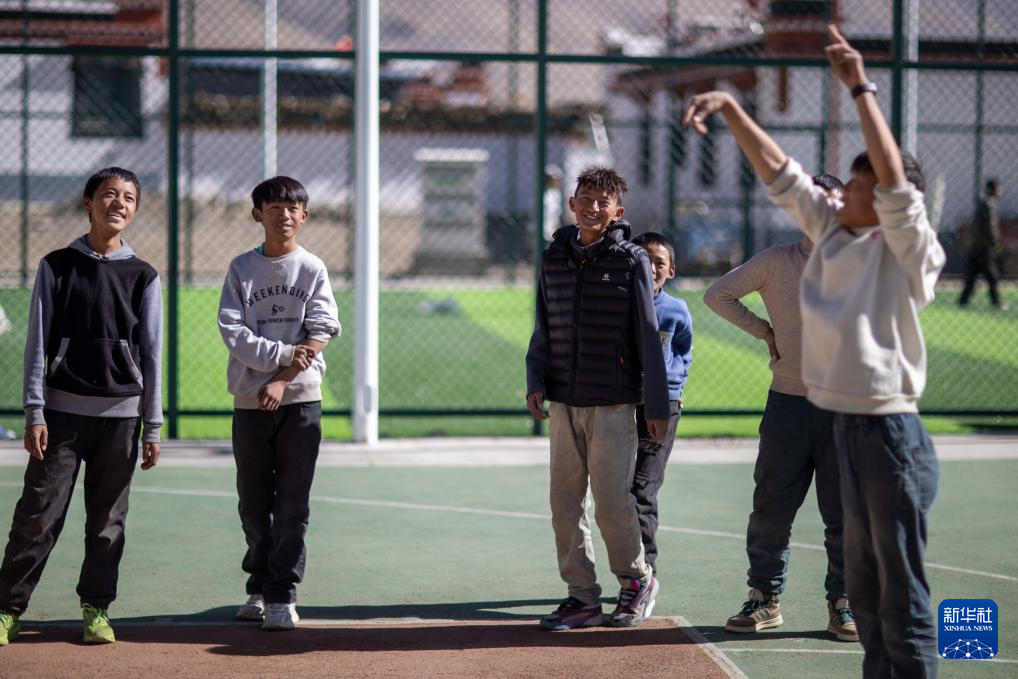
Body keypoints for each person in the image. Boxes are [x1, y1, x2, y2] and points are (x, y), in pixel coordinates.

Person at [685, 24, 945, 677]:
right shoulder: (830, 234)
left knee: (899, 596)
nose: (839, 191)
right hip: (845, 427)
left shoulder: (909, 251)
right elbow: (779, 171)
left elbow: (894, 183)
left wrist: (859, 86)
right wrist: (731, 106)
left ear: (887, 201)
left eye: (855, 184)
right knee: (866, 593)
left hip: (889, 434)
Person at [0, 167, 163, 646]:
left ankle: (96, 609)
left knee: (108, 522)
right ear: (88, 202)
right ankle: (7, 609)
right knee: (37, 517)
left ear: (134, 209)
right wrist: (35, 411)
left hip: (122, 420)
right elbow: (37, 344)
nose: (119, 203)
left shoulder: (143, 275)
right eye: (109, 194)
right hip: (61, 417)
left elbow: (152, 355)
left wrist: (152, 426)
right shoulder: (56, 265)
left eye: (128, 197)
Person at [704, 175, 858, 642]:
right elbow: (717, 294)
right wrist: (764, 331)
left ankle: (844, 603)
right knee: (771, 508)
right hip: (788, 405)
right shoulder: (776, 260)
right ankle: (764, 599)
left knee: (846, 514)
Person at [526, 166, 670, 631]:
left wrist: (655, 406)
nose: (592, 207)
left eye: (602, 202)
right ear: (572, 203)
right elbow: (544, 324)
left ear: (617, 211)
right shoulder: (553, 257)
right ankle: (582, 597)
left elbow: (647, 335)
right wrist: (536, 378)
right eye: (585, 198)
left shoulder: (631, 260)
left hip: (613, 403)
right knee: (564, 505)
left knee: (612, 504)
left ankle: (636, 580)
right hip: (565, 401)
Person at [218, 176, 340, 631]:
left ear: (304, 216)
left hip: (300, 401)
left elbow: (322, 327)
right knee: (253, 504)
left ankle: (282, 594)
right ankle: (259, 583)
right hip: (250, 401)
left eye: (292, 209)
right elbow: (234, 332)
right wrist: (285, 356)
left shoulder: (312, 268)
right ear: (258, 214)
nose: (283, 215)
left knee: (291, 503)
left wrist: (284, 380)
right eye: (273, 208)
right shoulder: (241, 269)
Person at [628, 232, 692, 577]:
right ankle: (627, 566)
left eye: (659, 262)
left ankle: (645, 570)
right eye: (644, 259)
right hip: (622, 403)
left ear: (671, 271)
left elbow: (683, 351)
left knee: (643, 488)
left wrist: (674, 390)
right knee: (619, 490)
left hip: (662, 407)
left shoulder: (676, 310)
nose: (651, 268)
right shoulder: (620, 304)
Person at [959, 179, 1005, 309]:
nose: (1001, 191)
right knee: (992, 276)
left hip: (976, 246)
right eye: (999, 188)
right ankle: (996, 301)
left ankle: (963, 300)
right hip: (984, 248)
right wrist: (995, 243)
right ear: (994, 189)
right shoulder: (989, 206)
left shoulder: (983, 204)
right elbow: (991, 228)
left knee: (972, 275)